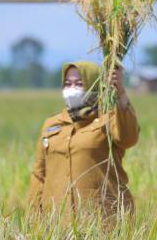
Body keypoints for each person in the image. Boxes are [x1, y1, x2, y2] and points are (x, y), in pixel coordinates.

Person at [28, 61, 139, 223]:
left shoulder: (108, 120)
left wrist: (120, 92)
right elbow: (39, 175)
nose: (72, 89)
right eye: (67, 84)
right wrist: (33, 218)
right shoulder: (52, 125)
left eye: (79, 83)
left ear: (93, 85)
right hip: (57, 225)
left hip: (101, 222)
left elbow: (129, 138)